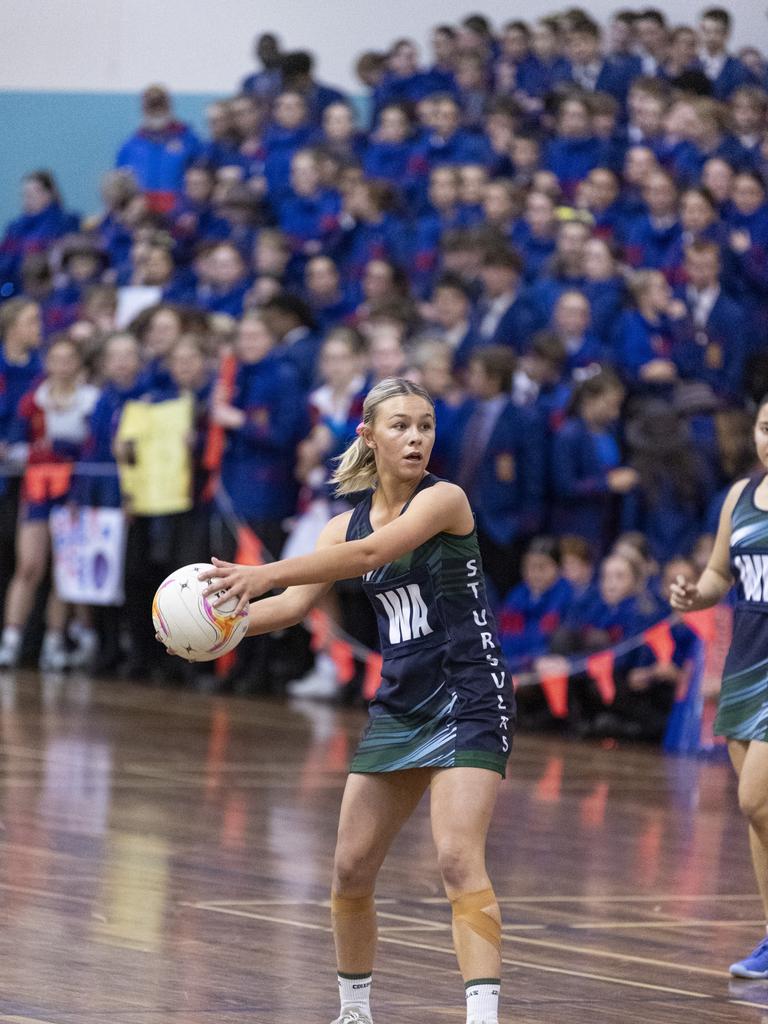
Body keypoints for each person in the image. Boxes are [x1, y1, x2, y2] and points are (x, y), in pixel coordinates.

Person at [161, 377, 514, 1024]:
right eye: (401, 425)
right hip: (401, 703)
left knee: (457, 856)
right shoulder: (337, 526)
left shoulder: (445, 500)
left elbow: (374, 553)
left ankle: (482, 1017)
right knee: (350, 870)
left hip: (469, 694)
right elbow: (293, 606)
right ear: (368, 435)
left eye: (426, 425)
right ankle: (354, 1012)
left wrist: (263, 571)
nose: (416, 437)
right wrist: (211, 626)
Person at [670, 395, 768, 979]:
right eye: (763, 428)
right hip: (746, 668)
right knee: (760, 817)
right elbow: (718, 574)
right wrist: (694, 595)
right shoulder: (740, 496)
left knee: (754, 798)